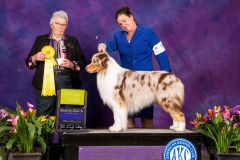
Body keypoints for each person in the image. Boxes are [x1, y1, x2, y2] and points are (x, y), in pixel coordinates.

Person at [98, 6, 171, 128]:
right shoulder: (118, 36)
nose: (123, 25)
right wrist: (104, 45)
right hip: (126, 84)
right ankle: (130, 147)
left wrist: (167, 74)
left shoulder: (148, 33)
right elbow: (110, 45)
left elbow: (160, 53)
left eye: (125, 21)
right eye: (120, 24)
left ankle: (148, 147)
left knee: (146, 119)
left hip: (145, 83)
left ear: (131, 17)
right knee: (127, 119)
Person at [26, 10, 86, 117]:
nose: (60, 26)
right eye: (57, 23)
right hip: (44, 83)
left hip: (68, 82)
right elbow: (29, 63)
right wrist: (35, 57)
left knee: (69, 117)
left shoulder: (73, 41)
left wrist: (72, 64)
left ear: (66, 26)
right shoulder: (40, 40)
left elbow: (82, 62)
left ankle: (65, 134)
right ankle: (46, 134)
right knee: (44, 118)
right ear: (51, 24)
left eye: (63, 24)